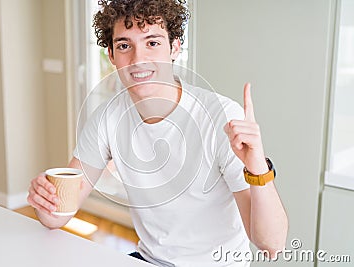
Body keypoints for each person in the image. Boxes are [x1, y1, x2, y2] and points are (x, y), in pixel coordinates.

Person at [27, 0, 288, 266]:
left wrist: (258, 167)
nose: (138, 59)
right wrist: (44, 199)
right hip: (151, 260)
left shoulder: (220, 116)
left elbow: (271, 244)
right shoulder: (107, 118)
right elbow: (56, 216)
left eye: (152, 43)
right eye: (125, 45)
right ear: (112, 55)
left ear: (174, 48)